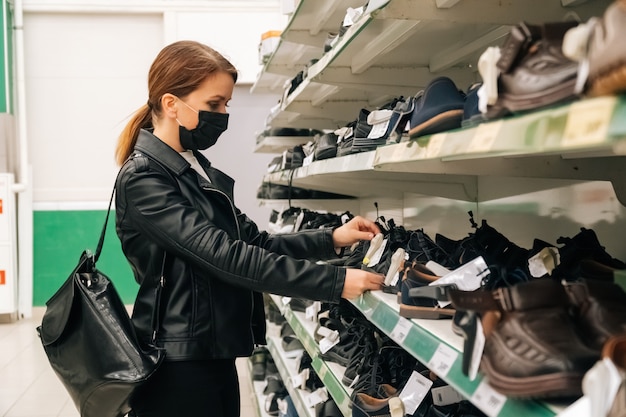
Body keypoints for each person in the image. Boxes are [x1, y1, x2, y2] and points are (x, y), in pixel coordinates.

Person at [114, 40, 384, 417]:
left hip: (211, 351)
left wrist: (331, 240)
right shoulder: (144, 178)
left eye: (226, 104)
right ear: (172, 104)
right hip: (178, 363)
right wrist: (334, 284)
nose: (224, 114)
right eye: (214, 104)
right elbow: (226, 257)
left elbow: (254, 241)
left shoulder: (194, 167)